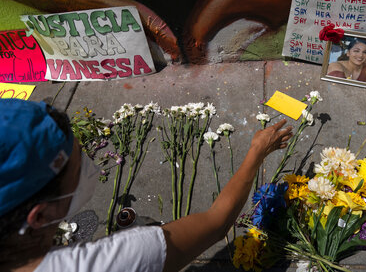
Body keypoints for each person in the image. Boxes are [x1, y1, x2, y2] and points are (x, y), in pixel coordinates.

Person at [0, 99, 293, 272]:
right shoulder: (113, 262)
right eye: (79, 167)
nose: (92, 163)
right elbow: (216, 223)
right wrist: (256, 153)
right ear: (38, 216)